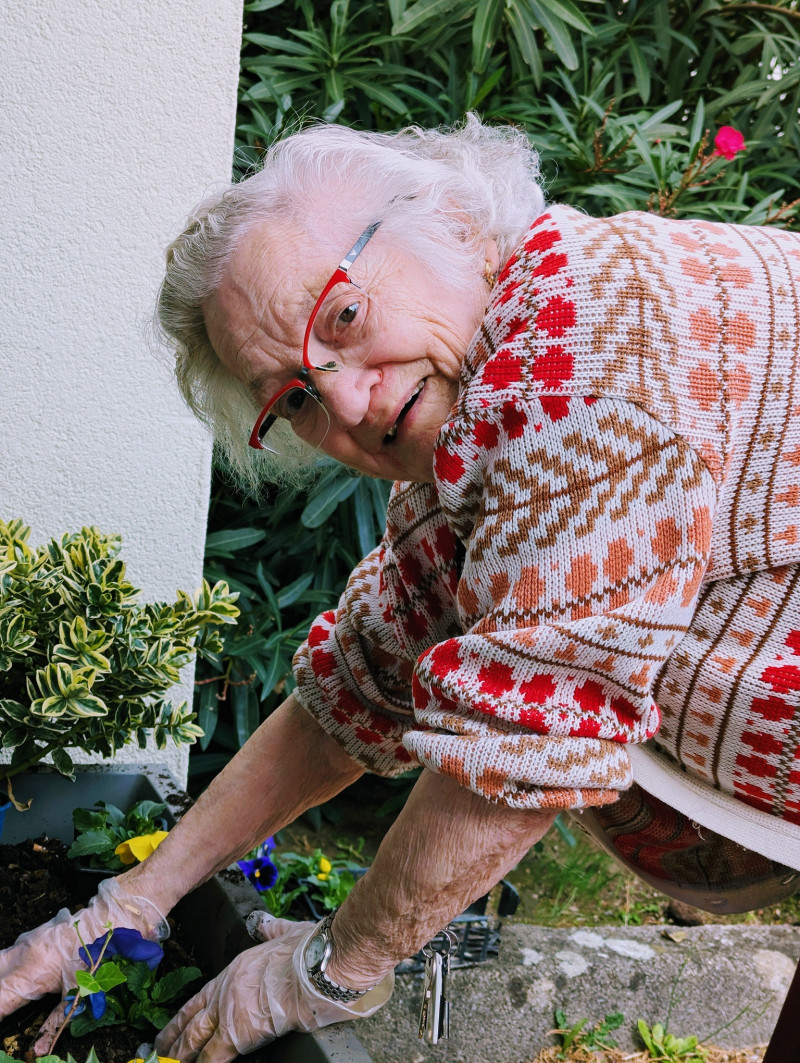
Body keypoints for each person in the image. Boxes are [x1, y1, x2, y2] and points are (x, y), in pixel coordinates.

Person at [2, 115, 800, 1063]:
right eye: (293, 396)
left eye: (341, 318)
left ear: (455, 225)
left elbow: (521, 754)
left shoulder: (579, 365)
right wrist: (122, 905)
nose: (340, 403)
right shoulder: (486, 404)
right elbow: (357, 682)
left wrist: (330, 969)